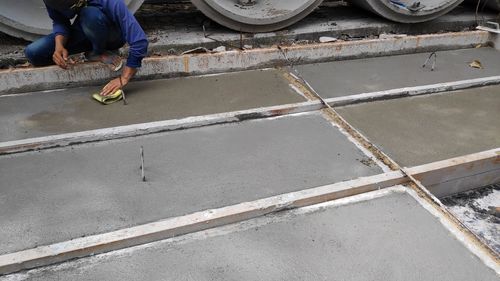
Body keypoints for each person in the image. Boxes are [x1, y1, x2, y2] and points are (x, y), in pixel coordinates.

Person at [24, 0, 148, 96]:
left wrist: (124, 78)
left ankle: (98, 51)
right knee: (34, 53)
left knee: (90, 14)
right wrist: (59, 46)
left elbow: (140, 42)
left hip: (111, 33)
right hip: (85, 29)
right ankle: (92, 49)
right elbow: (60, 21)